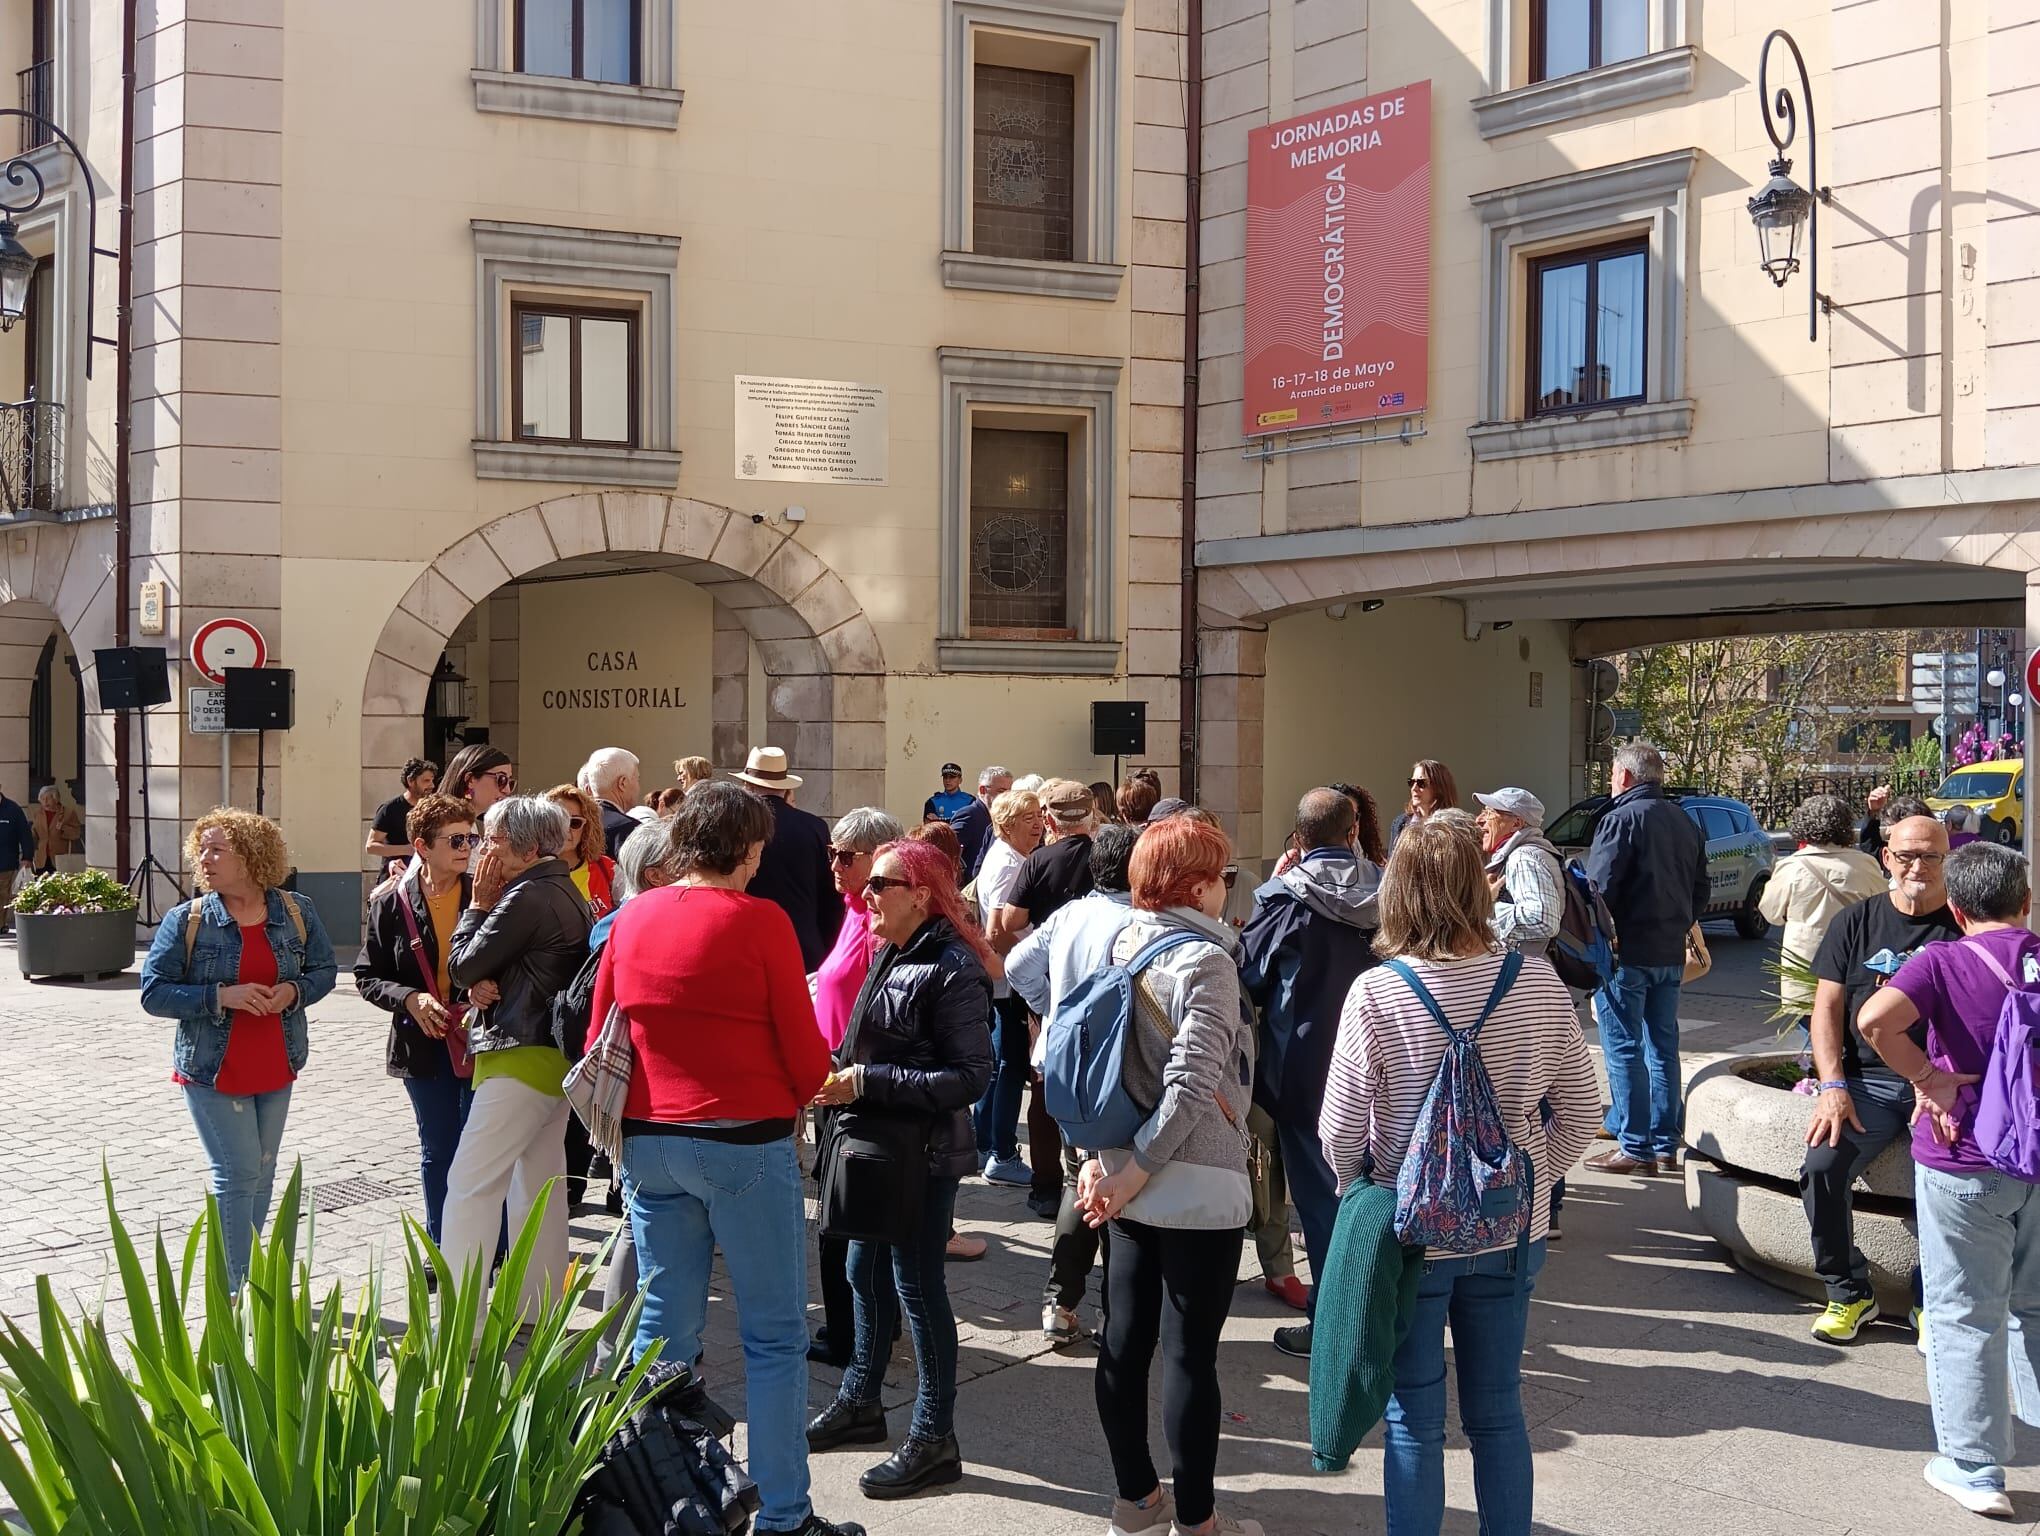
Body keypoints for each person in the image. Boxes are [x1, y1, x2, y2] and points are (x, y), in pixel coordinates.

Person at [592, 787, 862, 1536]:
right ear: (746, 850)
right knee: (774, 1338)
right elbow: (802, 1050)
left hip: (648, 1138)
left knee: (660, 1336)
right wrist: (822, 1081)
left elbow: (602, 1026)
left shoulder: (636, 913)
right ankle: (783, 1515)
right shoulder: (759, 920)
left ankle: (659, 1501)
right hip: (742, 1140)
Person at [1319, 819, 1598, 1536]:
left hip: (1409, 1231)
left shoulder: (1377, 993)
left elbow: (1340, 1128)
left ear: (1397, 893)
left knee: (1414, 1417)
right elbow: (1580, 1109)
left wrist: (1363, 1191)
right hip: (1510, 1232)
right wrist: (1532, 1180)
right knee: (1499, 1412)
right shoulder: (1536, 982)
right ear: (1480, 888)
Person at [1073, 814, 1259, 1536]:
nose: (1225, 889)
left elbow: (1088, 1067)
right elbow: (1191, 1083)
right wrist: (1141, 1169)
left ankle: (1135, 1501)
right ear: (1200, 884)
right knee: (1188, 1356)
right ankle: (1199, 1523)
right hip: (1191, 1178)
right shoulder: (1207, 960)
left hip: (1122, 1169)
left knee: (1124, 1340)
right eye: (1223, 876)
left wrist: (1108, 1165)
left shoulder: (1115, 942)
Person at [806, 839, 994, 1500]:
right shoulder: (893, 948)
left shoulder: (952, 965)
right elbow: (870, 1038)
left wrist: (865, 1080)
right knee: (861, 1270)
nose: (865, 894)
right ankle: (861, 1403)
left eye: (880, 883)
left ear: (921, 893)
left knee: (918, 1287)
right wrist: (832, 1068)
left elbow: (972, 1076)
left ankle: (934, 1437)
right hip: (879, 1147)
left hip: (923, 1155)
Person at [1858, 842, 2040, 1517]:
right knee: (2037, 1305)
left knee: (1966, 1314)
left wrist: (1929, 1077)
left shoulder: (1941, 960)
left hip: (1964, 1157)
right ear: (2025, 902)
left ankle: (1974, 1467)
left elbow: (1874, 1021)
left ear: (1957, 909)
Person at [140, 809, 338, 1290]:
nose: (204, 860)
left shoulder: (296, 911)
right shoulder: (186, 920)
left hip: (277, 1060)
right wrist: (219, 997)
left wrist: (293, 992)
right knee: (238, 1171)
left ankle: (250, 1280)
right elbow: (153, 992)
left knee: (263, 1174)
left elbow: (325, 970)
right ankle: (237, 1291)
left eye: (216, 850)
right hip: (213, 1068)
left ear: (251, 857)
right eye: (201, 850)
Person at [1799, 811, 1956, 1342]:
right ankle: (1849, 1292)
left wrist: (1938, 1085)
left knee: (1948, 1181)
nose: (1918, 865)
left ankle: (1929, 1298)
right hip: (1867, 1084)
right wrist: (1833, 1085)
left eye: (1930, 855)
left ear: (1947, 860)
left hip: (1939, 1083)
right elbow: (1827, 1009)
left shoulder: (1964, 927)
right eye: (1907, 854)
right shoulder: (1856, 922)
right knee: (1822, 1165)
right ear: (1886, 857)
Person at [1240, 787, 1381, 1361]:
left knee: (1322, 1202)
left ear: (1298, 839)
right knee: (1377, 1192)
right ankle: (1377, 1309)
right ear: (1352, 833)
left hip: (1305, 1071)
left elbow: (1248, 975)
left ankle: (1333, 1322)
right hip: (1383, 1064)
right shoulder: (1391, 892)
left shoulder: (1285, 899)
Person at [441, 796, 591, 1316]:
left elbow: (460, 966)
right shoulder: (559, 887)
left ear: (526, 848)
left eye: (492, 839)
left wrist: (478, 905)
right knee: (539, 1187)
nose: (483, 849)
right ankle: (537, 1307)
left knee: (471, 1185)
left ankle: (464, 1327)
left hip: (519, 1056)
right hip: (547, 1058)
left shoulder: (526, 894)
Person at [1007, 824, 1139, 1345]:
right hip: (1116, 1073)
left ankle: (1060, 1303)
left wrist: (1050, 1011)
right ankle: (1110, 1312)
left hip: (1065, 1069)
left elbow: (1018, 965)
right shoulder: (1140, 922)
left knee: (1078, 1179)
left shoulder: (1071, 913)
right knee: (1115, 1188)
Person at [353, 793, 478, 1243]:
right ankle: (443, 1244)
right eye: (456, 839)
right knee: (439, 1148)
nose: (467, 846)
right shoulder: (391, 904)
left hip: (482, 1039)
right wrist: (409, 998)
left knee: (481, 1148)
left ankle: (495, 1246)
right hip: (423, 1047)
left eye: (471, 836)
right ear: (422, 847)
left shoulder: (488, 895)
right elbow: (367, 975)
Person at [810, 806, 907, 1366]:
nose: (835, 866)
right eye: (832, 855)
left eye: (846, 857)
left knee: (843, 1218)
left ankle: (852, 1336)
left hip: (858, 1083)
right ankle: (861, 1328)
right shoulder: (852, 911)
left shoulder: (879, 922)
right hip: (832, 1077)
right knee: (842, 1215)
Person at [1583, 743, 1708, 1177]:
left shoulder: (1619, 819)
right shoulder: (1684, 820)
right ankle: (1663, 1143)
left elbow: (1598, 891)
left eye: (1614, 773)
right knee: (1662, 1046)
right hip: (1669, 950)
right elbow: (1701, 890)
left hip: (1626, 952)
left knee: (1624, 1049)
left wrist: (1601, 936)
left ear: (1624, 777)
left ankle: (1635, 1147)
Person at [993, 778, 1099, 1215]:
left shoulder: (1039, 860)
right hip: (1104, 979)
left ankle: (1046, 1185)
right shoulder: (1107, 854)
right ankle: (1094, 1171)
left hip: (1052, 983)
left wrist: (1040, 939)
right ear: (1090, 817)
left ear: (1051, 819)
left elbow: (1009, 920)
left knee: (1042, 1085)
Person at [1759, 794, 1888, 1033]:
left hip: (1804, 965)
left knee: (1812, 1035)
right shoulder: (1864, 864)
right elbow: (1883, 907)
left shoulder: (1791, 866)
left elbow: (1770, 913)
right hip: (1853, 962)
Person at [973, 787, 1044, 1191]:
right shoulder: (1007, 864)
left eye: (1039, 815)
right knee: (1010, 1064)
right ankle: (1002, 1152)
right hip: (1010, 980)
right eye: (1028, 817)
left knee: (1001, 1062)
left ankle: (986, 1143)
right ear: (1007, 823)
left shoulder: (1014, 857)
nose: (1037, 823)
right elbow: (996, 929)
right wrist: (1031, 957)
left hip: (1007, 977)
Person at [734, 746, 841, 971]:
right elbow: (831, 897)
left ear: (747, 786)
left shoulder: (737, 828)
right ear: (785, 789)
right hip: (805, 948)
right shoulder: (814, 827)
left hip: (748, 947)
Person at [1474, 788, 1564, 955]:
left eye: (1489, 813)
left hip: (1525, 971)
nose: (1479, 820)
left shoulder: (1523, 858)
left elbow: (1543, 921)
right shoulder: (1527, 853)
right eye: (1482, 812)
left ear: (1516, 824)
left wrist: (1488, 907)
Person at [544, 783, 620, 921]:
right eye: (558, 821)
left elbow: (632, 906)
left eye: (574, 823)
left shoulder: (607, 868)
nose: (565, 829)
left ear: (587, 828)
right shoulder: (533, 872)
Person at [366, 757, 438, 864]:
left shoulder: (433, 809)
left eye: (432, 781)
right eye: (426, 781)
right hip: (396, 875)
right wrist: (407, 849)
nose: (432, 785)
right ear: (410, 781)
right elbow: (371, 846)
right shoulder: (390, 809)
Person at [582, 747, 644, 858]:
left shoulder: (575, 825)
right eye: (637, 779)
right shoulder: (629, 829)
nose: (639, 787)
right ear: (623, 783)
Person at [1389, 760, 1459, 848]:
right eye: (1411, 782)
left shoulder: (1453, 827)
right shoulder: (1400, 823)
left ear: (1439, 788)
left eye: (1421, 783)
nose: (1414, 788)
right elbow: (1392, 860)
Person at [960, 765, 1013, 877]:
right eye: (1001, 791)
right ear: (983, 790)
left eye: (1009, 792)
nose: (1007, 797)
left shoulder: (1000, 816)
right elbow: (948, 853)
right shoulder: (969, 815)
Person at [442, 743, 516, 813]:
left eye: (510, 782)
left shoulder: (473, 823)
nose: (507, 790)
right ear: (470, 780)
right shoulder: (446, 824)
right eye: (502, 780)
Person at [29, 784, 82, 874]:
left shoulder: (68, 813)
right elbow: (34, 833)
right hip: (42, 859)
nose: (45, 802)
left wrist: (63, 828)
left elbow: (76, 833)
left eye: (48, 798)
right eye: (42, 799)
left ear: (56, 799)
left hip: (60, 858)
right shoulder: (38, 813)